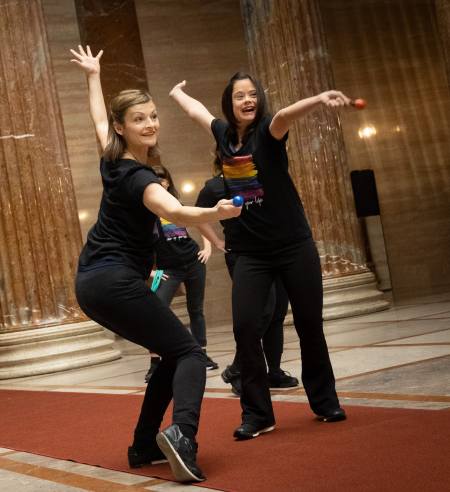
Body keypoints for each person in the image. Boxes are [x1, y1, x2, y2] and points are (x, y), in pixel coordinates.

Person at [70, 46, 241, 482]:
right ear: (122, 128)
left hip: (92, 282)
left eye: (152, 115)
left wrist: (94, 76)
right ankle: (182, 434)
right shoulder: (140, 177)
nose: (150, 124)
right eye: (139, 119)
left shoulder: (112, 159)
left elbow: (96, 118)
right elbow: (176, 212)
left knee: (169, 355)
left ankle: (145, 445)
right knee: (188, 353)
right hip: (113, 280)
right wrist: (215, 214)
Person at [170, 72, 347, 440]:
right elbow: (197, 113)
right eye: (239, 96)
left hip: (293, 245)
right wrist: (176, 94)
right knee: (245, 329)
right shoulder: (223, 135)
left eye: (253, 94)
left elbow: (285, 115)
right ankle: (257, 414)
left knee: (309, 324)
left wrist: (317, 99)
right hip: (251, 253)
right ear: (229, 104)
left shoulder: (268, 131)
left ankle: (325, 400)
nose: (248, 100)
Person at [195, 153, 299, 395]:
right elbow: (199, 215)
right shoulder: (214, 186)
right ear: (220, 156)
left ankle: (272, 371)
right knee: (263, 311)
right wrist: (216, 241)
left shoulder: (258, 180)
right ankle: (240, 369)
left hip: (276, 249)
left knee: (277, 313)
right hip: (244, 255)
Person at [145, 165, 218, 384]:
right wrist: (149, 272)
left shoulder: (177, 205)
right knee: (154, 313)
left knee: (196, 310)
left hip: (194, 262)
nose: (159, 182)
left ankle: (201, 354)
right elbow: (135, 246)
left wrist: (208, 247)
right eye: (154, 178)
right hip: (167, 270)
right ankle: (155, 364)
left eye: (163, 178)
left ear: (168, 182)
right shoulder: (146, 212)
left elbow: (199, 221)